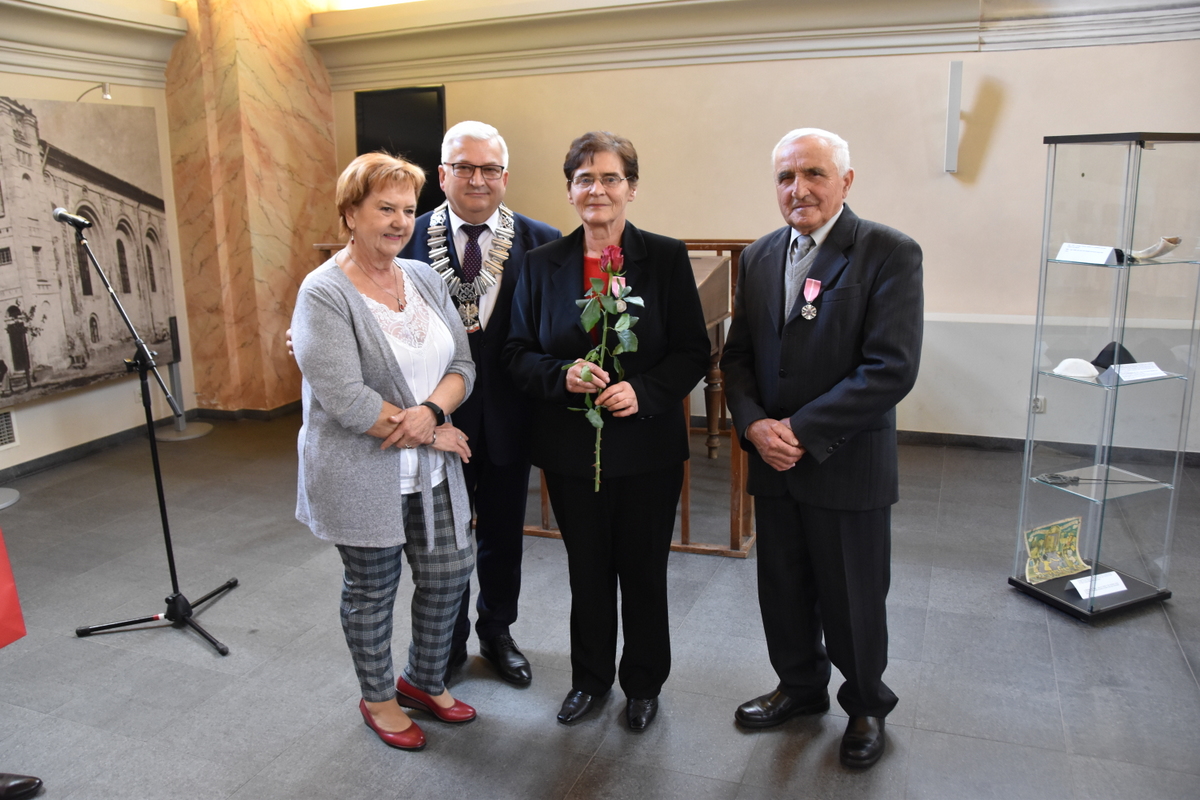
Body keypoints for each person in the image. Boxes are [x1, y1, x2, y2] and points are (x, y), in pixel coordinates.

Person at [720, 128, 923, 769]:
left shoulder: (888, 252)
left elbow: (890, 368)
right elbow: (738, 358)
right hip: (774, 462)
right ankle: (799, 687)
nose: (798, 189)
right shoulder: (759, 256)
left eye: (813, 173)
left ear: (845, 181)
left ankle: (865, 704)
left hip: (845, 460)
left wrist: (801, 431)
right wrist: (755, 425)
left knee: (852, 594)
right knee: (782, 586)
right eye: (786, 177)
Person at [505, 131, 708, 732]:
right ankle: (589, 680)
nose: (598, 189)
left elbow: (692, 351)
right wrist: (561, 375)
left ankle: (643, 684)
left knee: (644, 572)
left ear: (632, 188)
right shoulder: (541, 264)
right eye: (585, 178)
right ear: (570, 191)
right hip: (573, 451)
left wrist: (644, 391)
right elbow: (517, 352)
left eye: (610, 178)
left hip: (647, 447)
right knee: (587, 572)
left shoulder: (665, 258)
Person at [292, 153, 478, 751]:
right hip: (360, 471)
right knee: (372, 589)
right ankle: (377, 698)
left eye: (407, 209)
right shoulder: (323, 292)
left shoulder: (423, 277)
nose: (400, 222)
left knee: (450, 574)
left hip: (431, 469)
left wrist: (433, 414)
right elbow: (347, 400)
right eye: (384, 208)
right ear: (351, 213)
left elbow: (462, 364)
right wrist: (434, 431)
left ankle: (422, 680)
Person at [400, 121, 560, 687]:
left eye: (489, 168)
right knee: (441, 539)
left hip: (512, 416)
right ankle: (445, 640)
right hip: (436, 417)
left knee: (502, 532)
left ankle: (497, 631)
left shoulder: (542, 241)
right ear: (442, 175)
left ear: (505, 177)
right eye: (464, 167)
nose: (477, 179)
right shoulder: (407, 237)